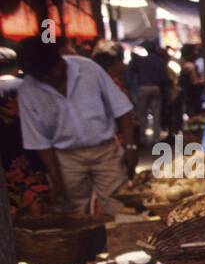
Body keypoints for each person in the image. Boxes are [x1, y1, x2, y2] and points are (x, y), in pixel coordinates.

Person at [16, 36, 137, 215]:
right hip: (66, 158)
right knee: (75, 212)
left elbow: (122, 109)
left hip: (105, 151)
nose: (49, 78)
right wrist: (56, 178)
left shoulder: (88, 69)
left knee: (118, 205)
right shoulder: (28, 90)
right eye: (43, 76)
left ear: (59, 58)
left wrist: (130, 146)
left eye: (52, 71)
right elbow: (39, 141)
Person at [128, 40, 168, 141]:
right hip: (156, 88)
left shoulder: (142, 61)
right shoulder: (159, 61)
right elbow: (164, 78)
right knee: (156, 114)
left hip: (143, 88)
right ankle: (156, 138)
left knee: (142, 114)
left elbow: (132, 68)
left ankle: (143, 138)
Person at [180, 44, 205, 119]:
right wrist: (204, 80)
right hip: (193, 97)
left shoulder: (184, 64)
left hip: (188, 96)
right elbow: (195, 82)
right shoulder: (190, 66)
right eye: (195, 51)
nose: (196, 53)